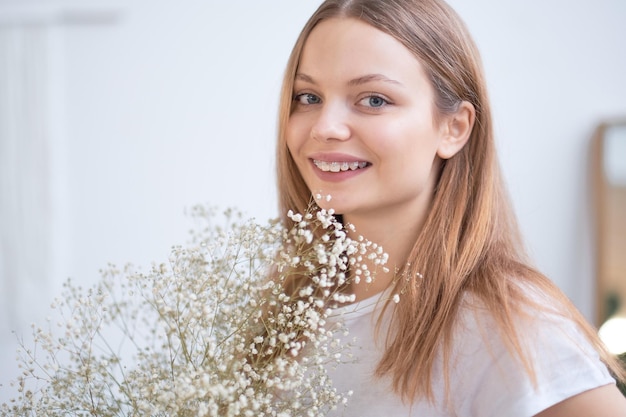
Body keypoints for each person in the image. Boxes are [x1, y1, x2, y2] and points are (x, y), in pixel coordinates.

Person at [274, 0, 626, 415]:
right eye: (308, 96)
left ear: (454, 128)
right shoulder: (287, 309)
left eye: (373, 100)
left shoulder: (508, 324)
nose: (324, 127)